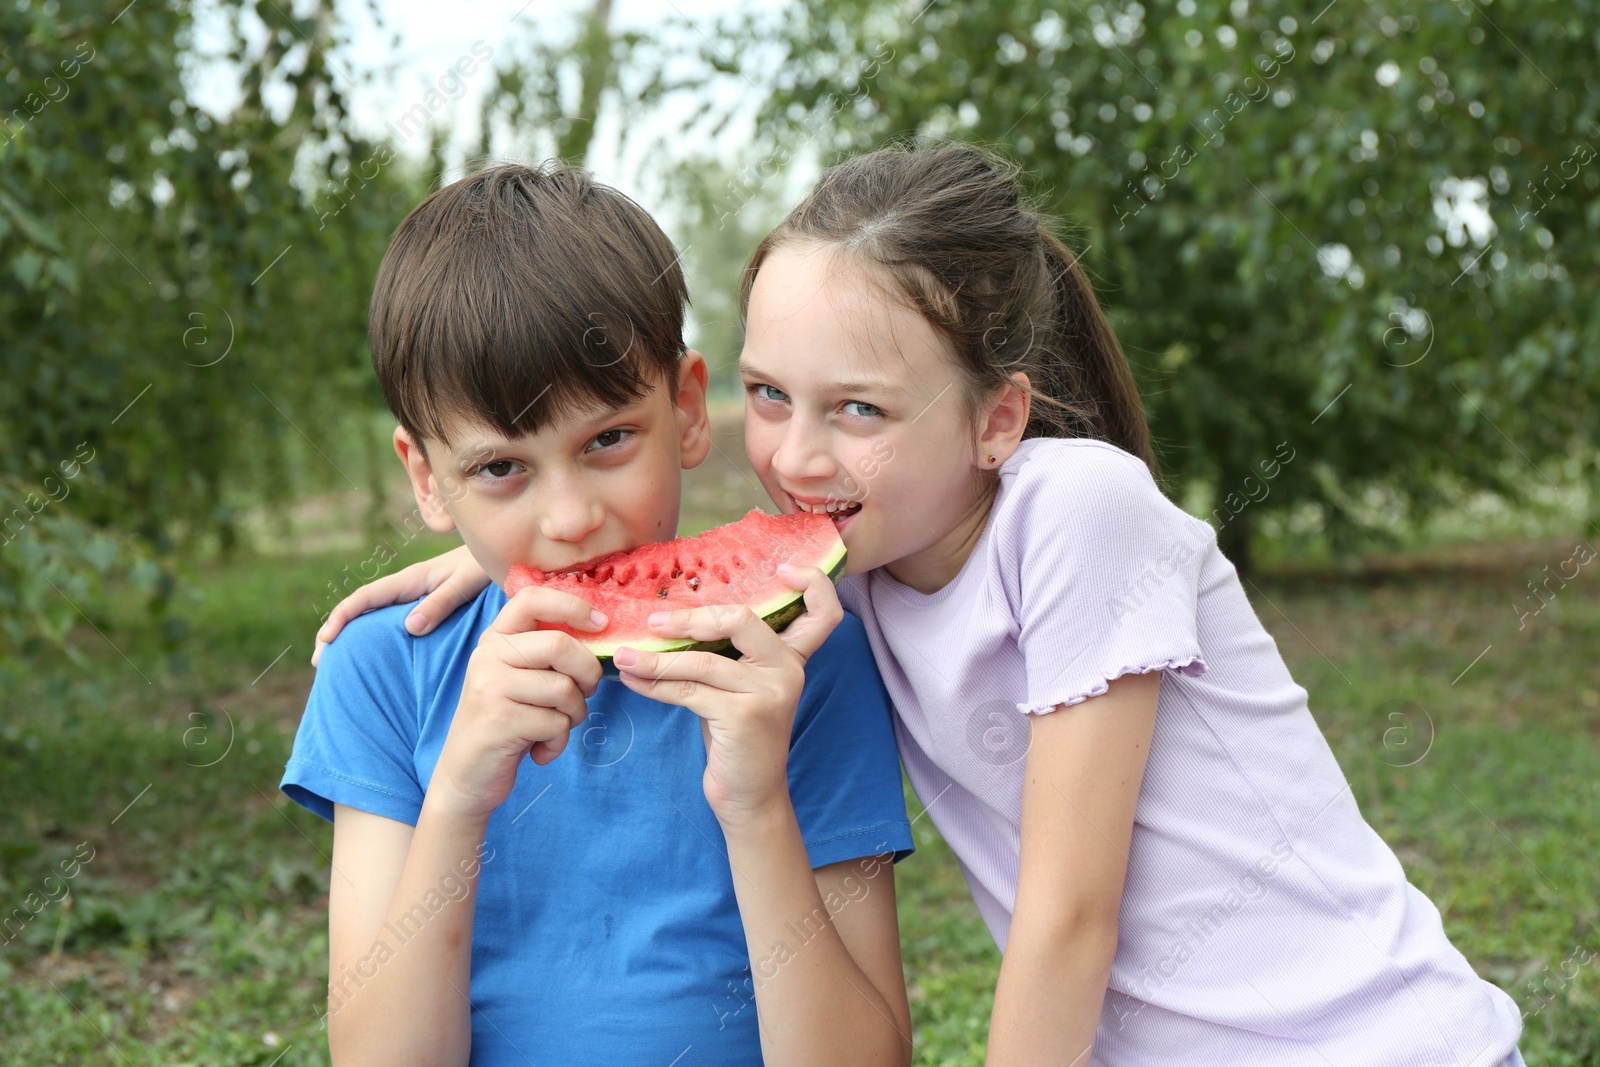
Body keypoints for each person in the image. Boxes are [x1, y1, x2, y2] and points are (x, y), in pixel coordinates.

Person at [312, 144, 1525, 1067]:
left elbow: (1067, 918)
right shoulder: (856, 572)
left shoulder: (1062, 518)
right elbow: (662, 545)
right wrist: (505, 564)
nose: (792, 458)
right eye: (770, 396)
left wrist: (518, 510)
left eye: (860, 410)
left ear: (996, 417)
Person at [281, 162, 916, 1067]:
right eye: (502, 468)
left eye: (608, 440)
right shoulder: (385, 668)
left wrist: (757, 804)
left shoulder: (799, 655)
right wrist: (459, 792)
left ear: (688, 407)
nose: (572, 518)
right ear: (427, 477)